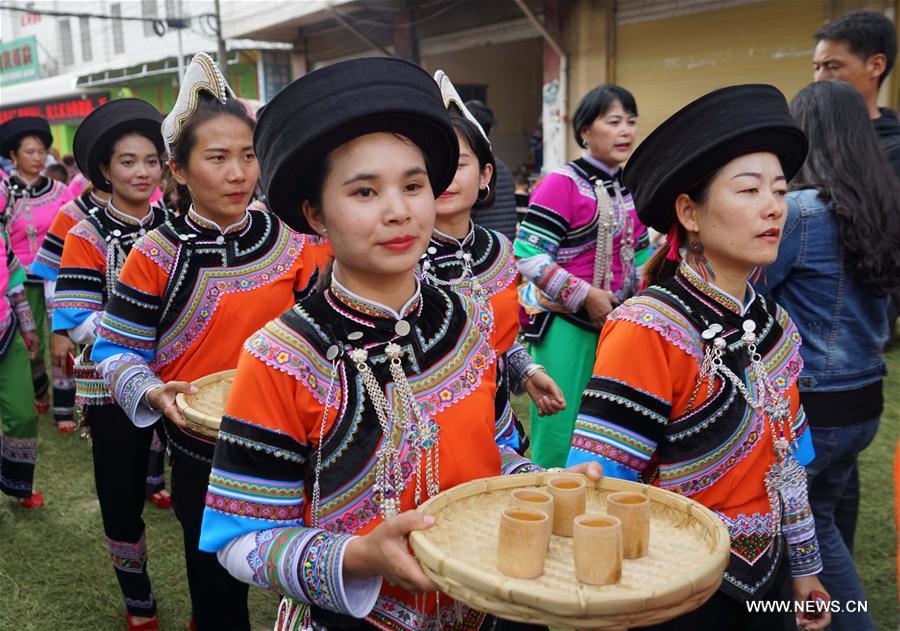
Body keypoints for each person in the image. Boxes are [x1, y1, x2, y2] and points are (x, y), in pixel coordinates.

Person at [197, 56, 601, 631]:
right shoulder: (283, 355)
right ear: (315, 213)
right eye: (364, 192)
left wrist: (539, 484)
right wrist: (358, 556)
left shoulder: (466, 318)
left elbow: (491, 451)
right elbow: (240, 541)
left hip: (484, 604)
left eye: (413, 185)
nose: (398, 210)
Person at [567, 84, 831, 630]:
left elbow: (789, 468)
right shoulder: (648, 329)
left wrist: (805, 570)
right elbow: (600, 489)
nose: (773, 207)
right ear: (689, 211)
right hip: (674, 589)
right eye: (749, 189)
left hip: (770, 581)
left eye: (780, 190)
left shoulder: (775, 325)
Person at [90, 53, 331, 631]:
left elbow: (321, 327)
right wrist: (154, 394)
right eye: (217, 158)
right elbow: (113, 350)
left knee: (310, 571)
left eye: (247, 156)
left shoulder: (292, 239)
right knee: (216, 586)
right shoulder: (157, 253)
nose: (238, 174)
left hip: (293, 436)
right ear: (178, 170)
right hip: (204, 449)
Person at [754, 80, 900, 631]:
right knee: (826, 516)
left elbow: (755, 288)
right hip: (866, 397)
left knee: (805, 527)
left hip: (817, 402)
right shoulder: (879, 202)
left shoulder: (802, 210)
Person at [52, 98, 172, 631]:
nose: (142, 172)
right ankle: (137, 597)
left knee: (196, 494)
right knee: (121, 497)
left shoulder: (180, 225)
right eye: (128, 161)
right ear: (105, 169)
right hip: (110, 384)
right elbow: (78, 318)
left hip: (183, 378)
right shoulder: (86, 234)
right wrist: (143, 341)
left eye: (151, 160)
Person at [514, 84, 649, 468]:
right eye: (614, 121)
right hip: (566, 325)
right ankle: (549, 506)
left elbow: (641, 253)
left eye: (631, 122)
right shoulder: (562, 183)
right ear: (586, 130)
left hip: (618, 325)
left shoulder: (630, 186)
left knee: (608, 425)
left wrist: (641, 300)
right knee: (560, 424)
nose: (625, 131)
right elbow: (528, 254)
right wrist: (585, 295)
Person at [423, 72, 565, 437]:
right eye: (431, 165)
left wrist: (526, 371)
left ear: (485, 174)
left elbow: (499, 334)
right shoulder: (397, 259)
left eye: (458, 164)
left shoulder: (499, 250)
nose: (444, 177)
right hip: (429, 429)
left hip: (495, 421)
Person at [0, 117, 75, 432]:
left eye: (41, 151)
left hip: (57, 275)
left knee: (63, 339)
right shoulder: (5, 193)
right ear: (14, 157)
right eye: (29, 151)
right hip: (20, 280)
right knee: (32, 344)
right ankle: (36, 388)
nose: (37, 157)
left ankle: (64, 409)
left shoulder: (60, 190)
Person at [813, 10, 900, 176]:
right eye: (816, 67)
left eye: (833, 66)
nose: (819, 79)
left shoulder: (893, 153)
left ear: (876, 66)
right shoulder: (807, 141)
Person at [0, 228, 42, 507]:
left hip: (6, 334)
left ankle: (16, 482)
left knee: (24, 414)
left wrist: (28, 327)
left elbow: (15, 283)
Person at [464, 99, 518, 242]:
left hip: (483, 249)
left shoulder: (470, 171)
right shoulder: (504, 169)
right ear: (491, 130)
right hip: (506, 245)